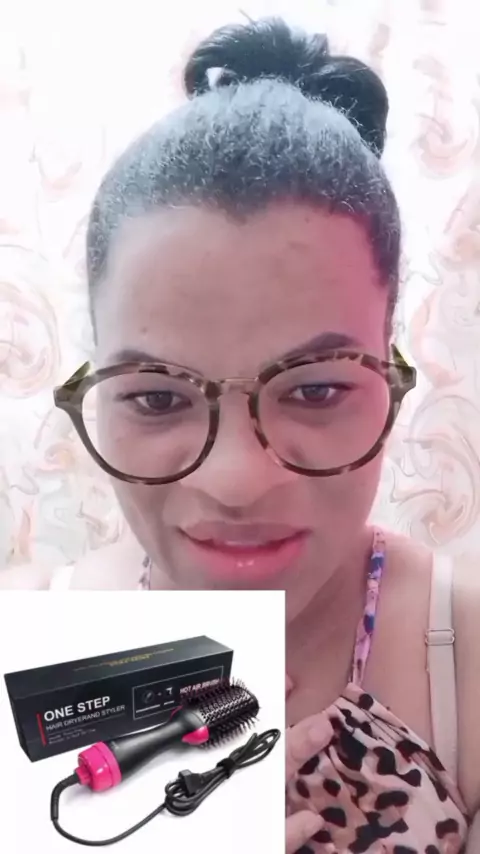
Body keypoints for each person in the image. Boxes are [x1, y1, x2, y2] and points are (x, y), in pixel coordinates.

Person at [2, 16, 479, 851]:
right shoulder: (27, 644)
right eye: (157, 398)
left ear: (392, 377)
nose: (236, 480)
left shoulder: (465, 652)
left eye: (318, 388)